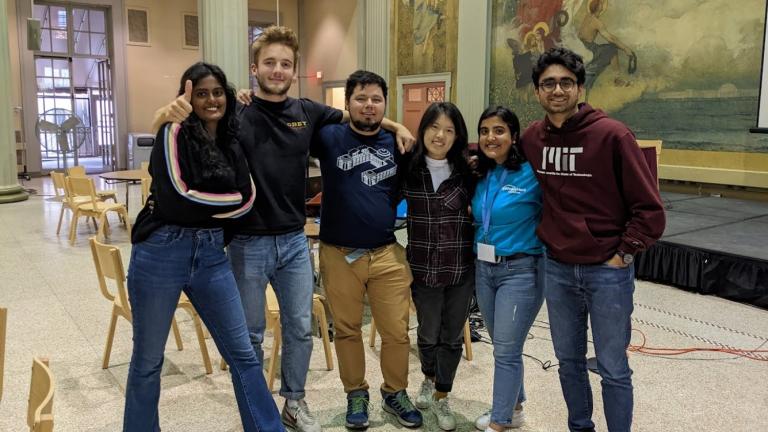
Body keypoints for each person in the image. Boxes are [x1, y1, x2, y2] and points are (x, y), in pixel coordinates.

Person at [152, 26, 414, 432]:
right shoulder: (234, 111)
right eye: (270, 63)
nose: (278, 70)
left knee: (299, 329)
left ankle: (294, 403)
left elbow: (360, 112)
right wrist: (162, 114)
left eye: (286, 64)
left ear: (295, 70)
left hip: (294, 242)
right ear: (255, 67)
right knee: (250, 336)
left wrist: (397, 127)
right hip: (247, 243)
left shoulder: (308, 113)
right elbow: (175, 121)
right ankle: (257, 412)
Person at [124, 62, 283, 432]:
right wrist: (224, 203)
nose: (211, 100)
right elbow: (177, 196)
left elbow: (248, 200)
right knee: (148, 362)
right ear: (187, 96)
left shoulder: (231, 139)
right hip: (161, 252)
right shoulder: (172, 131)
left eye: (217, 92)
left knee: (243, 355)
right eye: (201, 93)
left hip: (211, 256)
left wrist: (211, 206)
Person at [522, 47, 665, 432]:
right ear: (536, 91)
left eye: (566, 83)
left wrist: (622, 255)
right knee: (568, 362)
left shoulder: (612, 135)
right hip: (557, 268)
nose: (557, 90)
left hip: (607, 273)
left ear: (580, 88)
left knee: (613, 367)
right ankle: (579, 426)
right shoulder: (532, 139)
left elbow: (650, 210)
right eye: (548, 83)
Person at [314, 70, 422, 430]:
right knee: (346, 330)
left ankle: (395, 392)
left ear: (385, 103)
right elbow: (296, 114)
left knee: (396, 332)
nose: (369, 105)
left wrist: (398, 129)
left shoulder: (399, 144)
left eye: (377, 99)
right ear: (348, 103)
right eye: (361, 98)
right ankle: (355, 393)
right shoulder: (328, 136)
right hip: (338, 252)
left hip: (386, 253)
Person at [400, 102, 475, 431]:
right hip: (423, 268)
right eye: (434, 127)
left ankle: (443, 395)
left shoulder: (468, 172)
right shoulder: (409, 167)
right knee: (428, 335)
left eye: (448, 129)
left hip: (460, 269)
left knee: (452, 337)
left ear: (457, 135)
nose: (440, 135)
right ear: (423, 129)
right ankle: (429, 378)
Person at [470, 106, 544, 432]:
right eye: (484, 131)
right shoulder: (481, 173)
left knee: (507, 350)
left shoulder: (533, 175)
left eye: (499, 130)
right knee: (504, 346)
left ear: (514, 136)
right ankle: (514, 409)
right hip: (484, 270)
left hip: (521, 270)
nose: (490, 137)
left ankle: (500, 422)